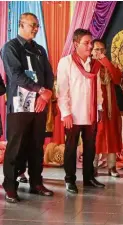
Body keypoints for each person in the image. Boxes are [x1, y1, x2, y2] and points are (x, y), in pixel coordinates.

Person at [1, 12, 54, 203]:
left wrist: (46, 93)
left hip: (39, 105)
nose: (35, 29)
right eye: (32, 25)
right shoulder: (10, 47)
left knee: (36, 145)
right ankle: (10, 186)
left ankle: (36, 182)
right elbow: (15, 75)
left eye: (37, 26)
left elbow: (49, 73)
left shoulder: (39, 49)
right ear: (21, 24)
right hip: (19, 105)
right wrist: (40, 90)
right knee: (16, 146)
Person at [57, 28, 105, 194]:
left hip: (90, 113)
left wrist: (99, 108)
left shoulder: (94, 65)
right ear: (76, 44)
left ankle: (89, 178)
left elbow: (98, 89)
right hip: (73, 114)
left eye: (91, 43)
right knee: (71, 148)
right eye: (86, 43)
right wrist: (66, 113)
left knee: (90, 147)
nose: (90, 46)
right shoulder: (66, 62)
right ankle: (70, 179)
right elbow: (62, 91)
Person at [91, 39, 123, 178]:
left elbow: (117, 79)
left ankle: (112, 167)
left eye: (102, 49)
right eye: (96, 49)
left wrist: (106, 62)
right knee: (96, 137)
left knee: (112, 136)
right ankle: (92, 167)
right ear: (91, 50)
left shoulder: (111, 65)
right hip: (94, 107)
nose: (99, 52)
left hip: (110, 108)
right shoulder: (88, 65)